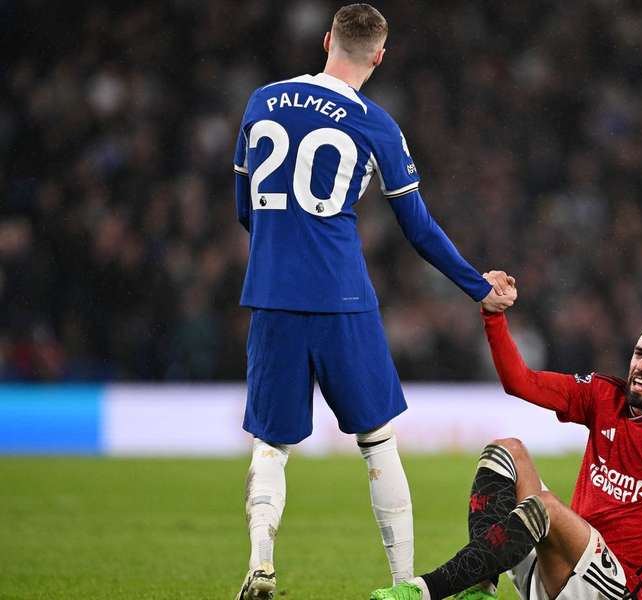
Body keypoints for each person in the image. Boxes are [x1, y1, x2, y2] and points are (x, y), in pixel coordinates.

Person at [231, 6, 515, 599]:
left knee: (271, 445)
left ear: (327, 39)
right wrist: (478, 287)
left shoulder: (262, 100)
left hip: (273, 295)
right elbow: (418, 228)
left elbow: (244, 208)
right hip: (342, 296)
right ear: (379, 57)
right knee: (378, 441)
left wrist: (282, 253)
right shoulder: (377, 125)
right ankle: (401, 584)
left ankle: (260, 566)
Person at [371, 275, 642, 600]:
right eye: (639, 353)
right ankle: (479, 588)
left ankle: (425, 591)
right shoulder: (602, 395)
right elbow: (519, 382)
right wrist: (492, 316)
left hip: (611, 586)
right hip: (558, 564)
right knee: (505, 451)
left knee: (545, 506)